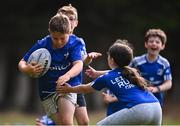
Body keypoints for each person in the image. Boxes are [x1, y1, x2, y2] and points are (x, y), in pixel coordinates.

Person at [57, 39, 162, 125]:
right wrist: (97, 73)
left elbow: (85, 88)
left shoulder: (108, 77)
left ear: (111, 60)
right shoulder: (131, 72)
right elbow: (113, 73)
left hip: (140, 109)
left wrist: (69, 89)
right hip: (156, 107)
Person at [35, 4, 102, 126]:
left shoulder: (78, 42)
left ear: (76, 22)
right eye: (65, 18)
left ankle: (49, 123)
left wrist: (88, 57)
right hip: (60, 86)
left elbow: (82, 63)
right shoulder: (51, 41)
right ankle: (49, 123)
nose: (68, 21)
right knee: (66, 121)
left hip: (75, 84)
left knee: (84, 121)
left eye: (71, 19)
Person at [18, 13, 84, 125]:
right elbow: (22, 62)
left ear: (69, 32)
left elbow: (78, 64)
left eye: (62, 38)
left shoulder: (75, 43)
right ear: (49, 31)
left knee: (66, 122)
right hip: (46, 91)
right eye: (55, 38)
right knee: (60, 124)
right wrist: (27, 69)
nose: (58, 42)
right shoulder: (43, 43)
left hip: (66, 87)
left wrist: (67, 75)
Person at [130, 28, 172, 106]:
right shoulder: (136, 61)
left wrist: (156, 89)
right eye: (151, 41)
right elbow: (126, 76)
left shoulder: (164, 63)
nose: (154, 44)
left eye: (157, 42)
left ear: (162, 46)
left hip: (157, 100)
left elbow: (168, 83)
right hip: (138, 99)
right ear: (146, 44)